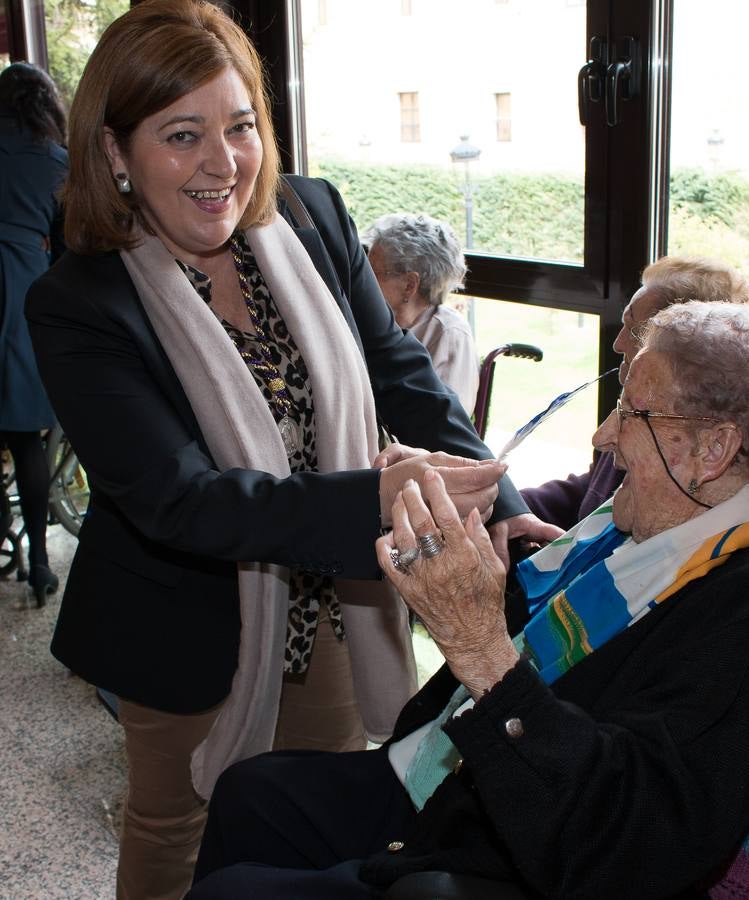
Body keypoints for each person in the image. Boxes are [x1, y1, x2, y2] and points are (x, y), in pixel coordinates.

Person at [24, 2, 555, 897]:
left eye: (239, 128)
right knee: (177, 828)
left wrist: (498, 500)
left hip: (335, 606)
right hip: (183, 623)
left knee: (309, 813)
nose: (222, 164)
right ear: (114, 153)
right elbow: (182, 500)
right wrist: (381, 503)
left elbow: (401, 377)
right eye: (181, 135)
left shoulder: (311, 215)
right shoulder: (80, 303)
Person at [188, 301, 749, 900]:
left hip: (519, 850)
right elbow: (570, 661)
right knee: (252, 794)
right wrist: (479, 564)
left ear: (711, 449)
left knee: (235, 887)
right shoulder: (671, 535)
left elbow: (626, 846)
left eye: (631, 412)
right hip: (469, 781)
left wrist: (476, 644)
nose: (603, 435)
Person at [522, 255, 749, 530]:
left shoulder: (733, 473)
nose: (617, 345)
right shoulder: (644, 409)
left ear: (687, 349)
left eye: (634, 332)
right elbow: (593, 494)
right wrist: (503, 506)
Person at [0, 63, 68, 605]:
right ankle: (42, 563)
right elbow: (71, 250)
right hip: (23, 294)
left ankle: (4, 531)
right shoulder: (54, 163)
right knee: (28, 440)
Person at [363, 212, 480, 415]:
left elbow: (446, 422)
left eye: (373, 272)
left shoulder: (448, 334)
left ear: (409, 285)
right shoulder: (377, 322)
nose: (364, 281)